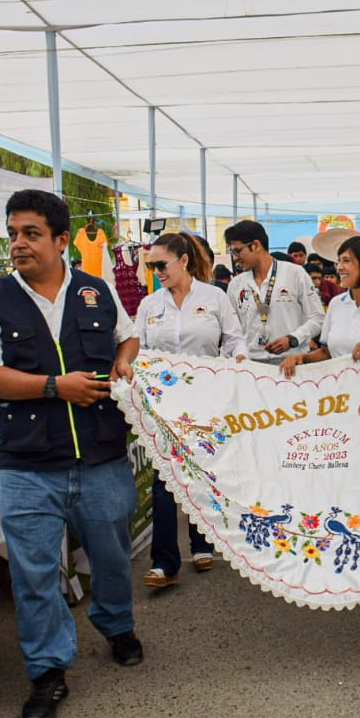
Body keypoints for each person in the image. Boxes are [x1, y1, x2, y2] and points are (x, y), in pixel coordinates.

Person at [0, 189, 143, 718]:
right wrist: (52, 387)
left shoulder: (97, 291)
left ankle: (117, 625)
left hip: (101, 457)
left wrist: (123, 362)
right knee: (35, 572)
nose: (18, 243)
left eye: (31, 234)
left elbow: (129, 338)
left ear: (62, 240)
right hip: (27, 465)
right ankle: (47, 671)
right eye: (13, 233)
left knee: (111, 556)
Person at [136, 231, 247, 588]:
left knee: (205, 471)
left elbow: (233, 339)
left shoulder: (215, 297)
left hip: (207, 400)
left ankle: (203, 543)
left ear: (184, 260)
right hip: (164, 404)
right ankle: (164, 562)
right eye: (151, 266)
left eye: (161, 264)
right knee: (163, 478)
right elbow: (138, 349)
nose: (156, 271)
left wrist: (241, 360)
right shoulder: (150, 305)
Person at [280, 236, 360, 376]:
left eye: (346, 261)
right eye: (339, 261)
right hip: (339, 394)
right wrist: (302, 357)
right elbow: (327, 352)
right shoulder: (336, 304)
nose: (339, 267)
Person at [226, 220, 324, 365]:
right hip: (251, 366)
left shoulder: (295, 274)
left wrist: (293, 339)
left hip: (291, 364)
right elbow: (232, 330)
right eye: (232, 252)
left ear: (256, 245)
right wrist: (238, 353)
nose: (235, 258)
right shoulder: (236, 285)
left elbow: (317, 318)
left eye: (238, 251)